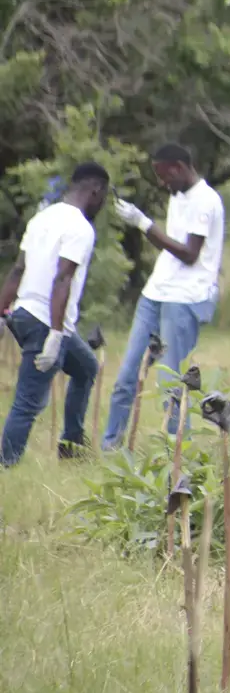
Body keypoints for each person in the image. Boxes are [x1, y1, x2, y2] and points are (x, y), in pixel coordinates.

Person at [101, 143, 227, 447]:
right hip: (155, 293)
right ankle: (110, 448)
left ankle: (175, 452)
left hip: (185, 299)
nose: (162, 183)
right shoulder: (178, 197)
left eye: (164, 176)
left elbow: (188, 255)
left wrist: (143, 223)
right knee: (127, 376)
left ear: (180, 168)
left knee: (171, 383)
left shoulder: (206, 201)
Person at [0, 162, 109, 465]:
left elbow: (18, 269)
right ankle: (5, 466)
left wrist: (2, 312)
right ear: (95, 191)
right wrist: (56, 333)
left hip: (23, 315)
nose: (101, 205)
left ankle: (71, 447)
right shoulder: (81, 228)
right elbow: (62, 279)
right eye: (103, 198)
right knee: (27, 402)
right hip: (45, 323)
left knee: (86, 367)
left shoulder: (40, 218)